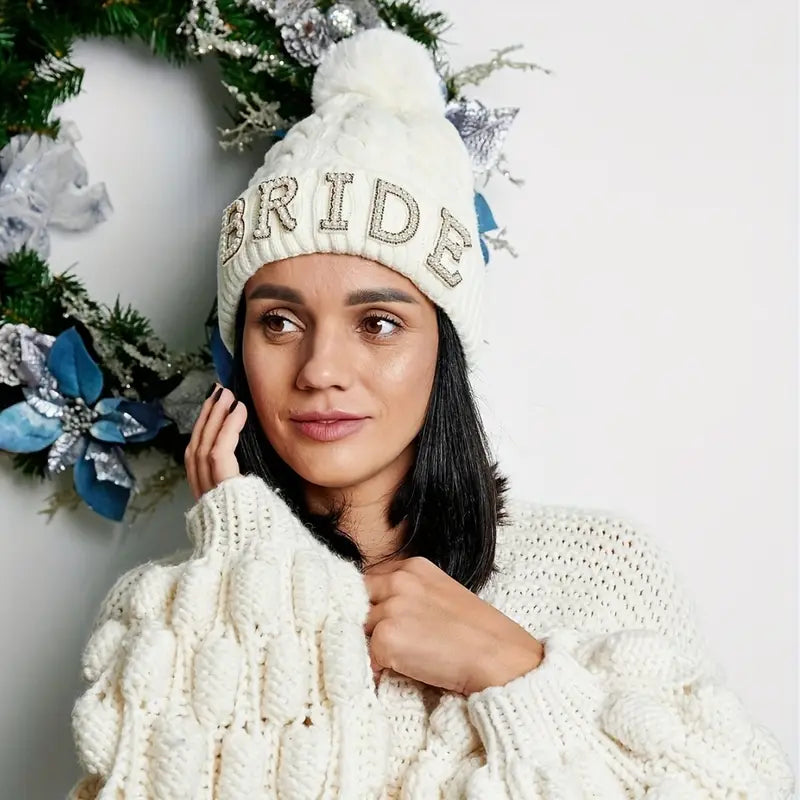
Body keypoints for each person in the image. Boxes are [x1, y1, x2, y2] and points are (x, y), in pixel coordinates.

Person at [67, 27, 795, 800]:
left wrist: (515, 672)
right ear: (238, 350)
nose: (319, 371)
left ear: (444, 349)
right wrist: (246, 581)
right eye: (278, 322)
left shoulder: (598, 571)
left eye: (377, 323)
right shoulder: (162, 606)